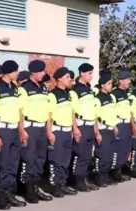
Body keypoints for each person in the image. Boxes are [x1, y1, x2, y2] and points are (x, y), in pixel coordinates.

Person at [0, 60, 27, 209]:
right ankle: (0, 196)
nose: (17, 74)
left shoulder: (15, 88)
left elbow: (18, 111)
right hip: (1, 129)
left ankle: (10, 193)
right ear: (10, 72)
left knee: (12, 164)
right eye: (16, 71)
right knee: (1, 164)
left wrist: (21, 130)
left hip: (14, 129)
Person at [18, 60, 53, 203]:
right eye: (41, 71)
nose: (43, 74)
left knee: (40, 159)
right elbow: (19, 111)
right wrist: (22, 130)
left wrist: (48, 130)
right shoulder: (24, 89)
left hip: (41, 128)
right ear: (33, 72)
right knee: (29, 159)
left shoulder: (43, 88)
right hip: (30, 127)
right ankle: (29, 190)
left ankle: (36, 187)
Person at [47, 67, 78, 198]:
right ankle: (55, 186)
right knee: (56, 160)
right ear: (59, 79)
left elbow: (72, 113)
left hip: (67, 131)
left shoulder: (68, 94)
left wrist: (74, 128)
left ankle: (63, 184)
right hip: (57, 131)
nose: (69, 79)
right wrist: (49, 132)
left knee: (65, 160)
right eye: (67, 77)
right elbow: (48, 115)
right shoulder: (52, 95)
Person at [69, 63, 98, 192]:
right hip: (81, 125)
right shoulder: (75, 90)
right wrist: (75, 128)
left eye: (92, 73)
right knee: (79, 155)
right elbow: (72, 111)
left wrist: (96, 129)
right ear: (81, 73)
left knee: (87, 156)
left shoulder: (90, 89)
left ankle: (84, 179)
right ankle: (77, 181)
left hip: (91, 125)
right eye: (89, 73)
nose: (91, 76)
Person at [93, 70, 117, 187]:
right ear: (102, 85)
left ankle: (106, 176)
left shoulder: (111, 97)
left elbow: (112, 114)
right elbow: (95, 117)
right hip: (102, 130)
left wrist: (115, 126)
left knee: (109, 155)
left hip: (111, 129)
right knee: (101, 155)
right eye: (109, 83)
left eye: (111, 83)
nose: (111, 85)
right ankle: (99, 178)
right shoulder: (98, 99)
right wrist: (97, 133)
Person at [110, 69, 133, 182]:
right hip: (119, 124)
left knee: (125, 148)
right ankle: (115, 173)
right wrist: (114, 125)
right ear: (120, 81)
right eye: (127, 79)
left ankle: (120, 170)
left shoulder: (126, 93)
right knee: (118, 149)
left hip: (126, 124)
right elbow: (112, 111)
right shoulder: (114, 94)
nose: (129, 81)